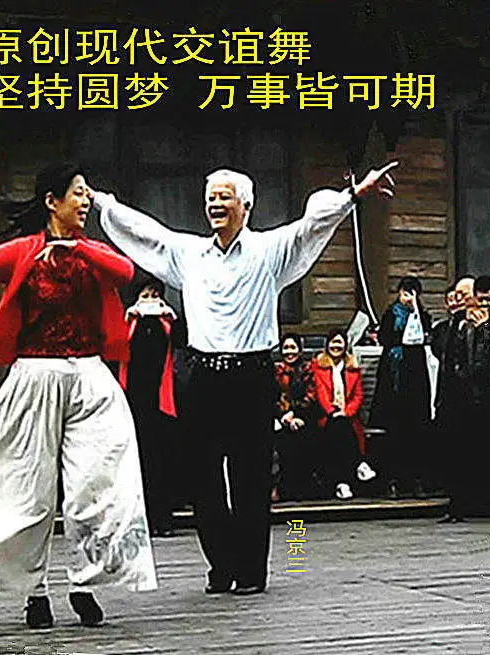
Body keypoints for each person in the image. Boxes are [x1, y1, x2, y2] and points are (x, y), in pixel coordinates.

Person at [90, 160, 397, 595]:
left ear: (246, 206)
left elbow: (310, 226)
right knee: (202, 477)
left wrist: (353, 195)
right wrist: (100, 202)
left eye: (224, 196)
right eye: (210, 197)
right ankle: (222, 565)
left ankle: (251, 571)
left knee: (251, 477)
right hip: (202, 376)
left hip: (251, 376)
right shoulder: (188, 254)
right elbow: (146, 233)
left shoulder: (269, 251)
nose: (215, 203)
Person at [0, 162, 156, 630]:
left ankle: (84, 583)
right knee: (26, 488)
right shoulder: (24, 251)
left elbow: (124, 271)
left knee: (99, 483)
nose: (85, 201)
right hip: (35, 376)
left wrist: (74, 246)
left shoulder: (93, 252)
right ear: (51, 201)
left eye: (86, 193)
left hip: (90, 377)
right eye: (77, 193)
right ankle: (34, 591)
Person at [119, 277, 178, 537]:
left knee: (161, 461)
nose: (151, 299)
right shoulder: (130, 322)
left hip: (161, 402)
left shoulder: (167, 323)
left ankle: (161, 518)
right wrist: (129, 319)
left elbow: (182, 342)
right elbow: (117, 349)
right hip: (135, 401)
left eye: (155, 294)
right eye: (146, 295)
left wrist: (171, 319)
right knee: (134, 461)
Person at [369, 276, 433, 499]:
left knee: (416, 429)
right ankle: (392, 480)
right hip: (394, 373)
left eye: (411, 292)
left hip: (415, 374)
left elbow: (426, 335)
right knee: (393, 430)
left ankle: (416, 480)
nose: (406, 297)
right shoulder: (391, 313)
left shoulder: (422, 315)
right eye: (404, 292)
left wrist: (415, 310)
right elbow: (385, 338)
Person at [447, 275, 490, 518]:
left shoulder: (488, 323)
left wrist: (484, 327)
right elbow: (451, 354)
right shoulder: (459, 321)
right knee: (464, 451)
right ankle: (463, 503)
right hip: (463, 395)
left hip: (487, 393)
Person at [312, 329, 375, 500]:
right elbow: (320, 393)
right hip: (326, 417)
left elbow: (358, 396)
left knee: (341, 429)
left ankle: (342, 484)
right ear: (327, 345)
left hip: (348, 418)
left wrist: (346, 412)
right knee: (338, 427)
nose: (336, 346)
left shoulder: (352, 368)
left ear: (345, 346)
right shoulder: (318, 366)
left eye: (339, 342)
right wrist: (333, 412)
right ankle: (359, 464)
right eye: (333, 342)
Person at [432, 276, 475, 522]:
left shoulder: (482, 324)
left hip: (472, 397)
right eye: (455, 296)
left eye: (463, 295)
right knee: (452, 451)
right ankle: (455, 502)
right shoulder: (451, 325)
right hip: (449, 396)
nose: (458, 300)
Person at [273, 333, 318, 501]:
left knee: (302, 435)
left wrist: (297, 414)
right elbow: (272, 397)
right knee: (283, 438)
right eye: (286, 348)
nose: (289, 352)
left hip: (305, 416)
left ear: (299, 350)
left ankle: (303, 488)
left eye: (293, 347)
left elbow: (311, 395)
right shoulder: (276, 371)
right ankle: (284, 488)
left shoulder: (307, 370)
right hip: (281, 418)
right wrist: (284, 416)